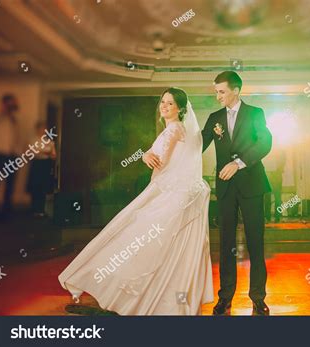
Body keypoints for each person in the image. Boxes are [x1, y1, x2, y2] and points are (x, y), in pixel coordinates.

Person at [58, 88, 213, 315]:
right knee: (150, 242)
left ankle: (141, 297)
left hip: (168, 194)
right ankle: (152, 298)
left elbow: (163, 162)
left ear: (180, 109)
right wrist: (145, 155)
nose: (165, 106)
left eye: (170, 104)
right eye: (163, 102)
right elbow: (151, 154)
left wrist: (152, 160)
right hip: (166, 192)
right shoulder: (171, 130)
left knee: (139, 239)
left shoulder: (175, 129)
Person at [202, 71, 273, 315]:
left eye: (221, 91)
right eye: (216, 92)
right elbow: (197, 145)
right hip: (226, 190)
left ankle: (257, 298)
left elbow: (264, 143)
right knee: (226, 245)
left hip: (252, 186)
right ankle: (225, 297)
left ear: (236, 90)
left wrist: (239, 163)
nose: (217, 96)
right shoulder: (214, 119)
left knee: (256, 243)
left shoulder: (255, 114)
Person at [0, 94, 21, 220]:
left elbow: (14, 137)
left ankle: (6, 212)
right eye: (11, 103)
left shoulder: (13, 119)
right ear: (4, 103)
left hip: (12, 155)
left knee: (10, 184)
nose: (13, 106)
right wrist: (2, 112)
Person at [27, 122, 57, 217]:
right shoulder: (33, 140)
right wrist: (46, 152)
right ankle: (34, 209)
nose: (43, 131)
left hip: (45, 164)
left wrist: (46, 153)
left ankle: (41, 209)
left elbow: (54, 155)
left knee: (44, 186)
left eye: (45, 129)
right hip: (37, 164)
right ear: (37, 129)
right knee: (35, 186)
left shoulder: (49, 141)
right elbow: (33, 152)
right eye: (41, 128)